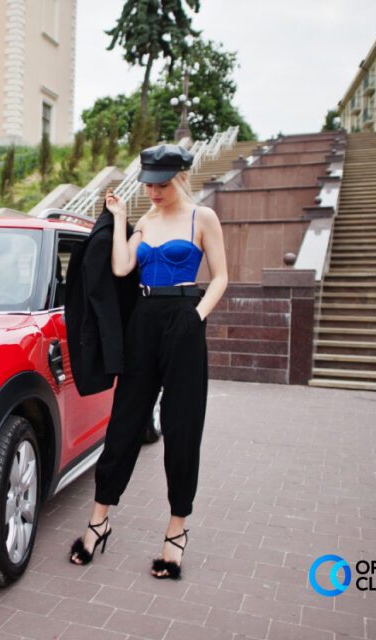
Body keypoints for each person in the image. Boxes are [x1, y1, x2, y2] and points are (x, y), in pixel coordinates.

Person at [69, 144, 228, 579]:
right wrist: (120, 218)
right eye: (148, 184)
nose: (153, 192)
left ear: (178, 177)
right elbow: (121, 268)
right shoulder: (145, 220)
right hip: (143, 322)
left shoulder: (202, 218)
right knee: (124, 422)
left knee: (181, 427)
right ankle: (99, 521)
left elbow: (221, 277)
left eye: (160, 184)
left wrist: (195, 317)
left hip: (183, 321)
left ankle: (176, 530)